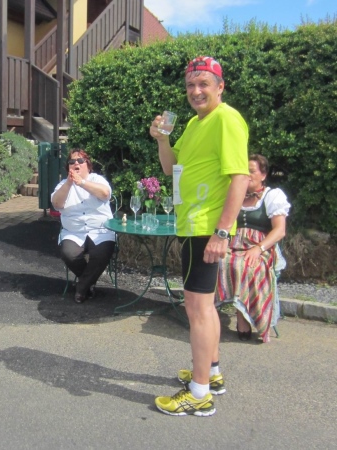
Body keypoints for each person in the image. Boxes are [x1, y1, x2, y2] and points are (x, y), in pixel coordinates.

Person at [149, 56, 250, 416]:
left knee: (198, 308)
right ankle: (212, 373)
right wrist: (163, 139)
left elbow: (240, 177)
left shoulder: (227, 118)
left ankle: (199, 393)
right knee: (201, 306)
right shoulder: (194, 123)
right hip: (192, 224)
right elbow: (170, 168)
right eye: (191, 84)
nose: (196, 91)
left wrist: (222, 231)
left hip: (206, 227)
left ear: (220, 87)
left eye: (204, 83)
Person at [216, 154, 290, 343]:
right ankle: (207, 316)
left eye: (251, 171)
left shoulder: (272, 196)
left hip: (261, 247)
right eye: (244, 171)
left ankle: (244, 316)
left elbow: (280, 230)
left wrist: (258, 248)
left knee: (245, 265)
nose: (247, 175)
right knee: (217, 261)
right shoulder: (233, 194)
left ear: (263, 175)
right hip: (233, 245)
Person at [51, 149, 116, 304]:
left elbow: (105, 194)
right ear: (68, 167)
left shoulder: (97, 179)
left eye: (80, 161)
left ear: (88, 165)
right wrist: (69, 183)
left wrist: (82, 183)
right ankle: (88, 283)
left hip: (100, 230)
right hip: (73, 232)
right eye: (72, 162)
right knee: (69, 254)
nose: (76, 164)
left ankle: (81, 287)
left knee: (101, 253)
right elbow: (56, 204)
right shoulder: (63, 185)